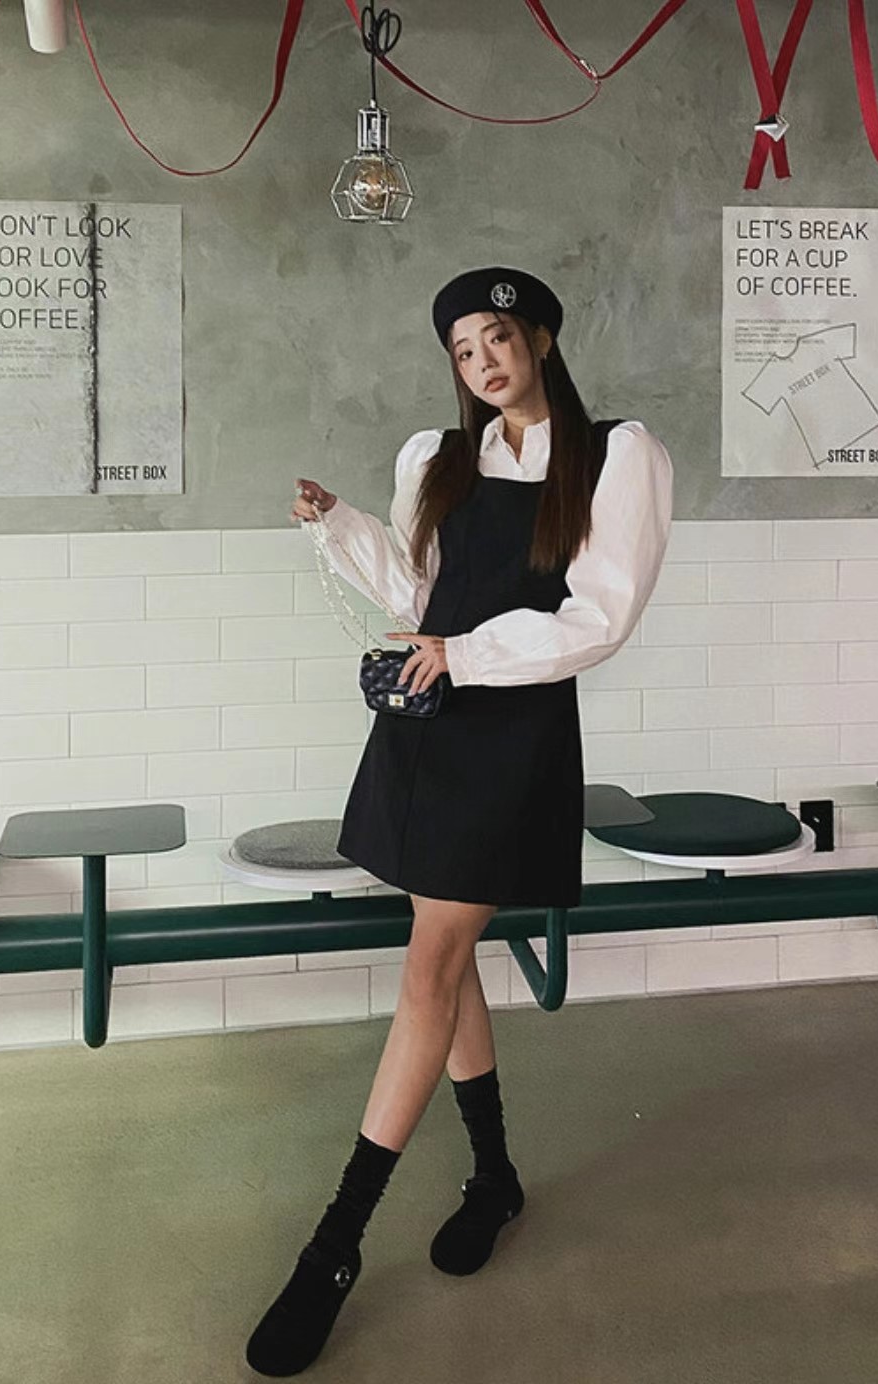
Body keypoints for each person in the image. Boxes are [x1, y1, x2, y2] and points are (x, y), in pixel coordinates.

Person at [245, 266, 673, 1377]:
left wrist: (469, 656)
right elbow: (416, 593)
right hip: (428, 728)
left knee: (430, 963)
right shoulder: (435, 458)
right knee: (444, 952)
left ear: (540, 339)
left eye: (497, 337)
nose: (482, 361)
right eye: (462, 348)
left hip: (512, 736)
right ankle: (493, 1178)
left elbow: (602, 616)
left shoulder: (616, 455)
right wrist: (338, 524)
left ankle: (334, 1247)